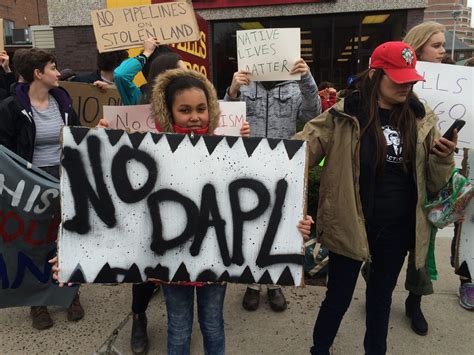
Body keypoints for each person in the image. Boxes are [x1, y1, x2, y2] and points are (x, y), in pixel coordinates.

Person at [296, 41, 456, 354]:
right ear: (375, 74)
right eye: (398, 79)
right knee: (338, 297)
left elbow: (437, 184)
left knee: (381, 298)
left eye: (410, 79)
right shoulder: (343, 115)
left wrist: (442, 158)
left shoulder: (422, 118)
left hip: (397, 229)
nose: (406, 86)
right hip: (349, 225)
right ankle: (319, 349)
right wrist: (248, 148)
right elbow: (297, 154)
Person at [149, 68, 249, 354]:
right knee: (179, 329)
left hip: (215, 260)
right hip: (173, 262)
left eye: (201, 109)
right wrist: (105, 142)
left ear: (211, 109)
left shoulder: (226, 146)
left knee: (213, 324)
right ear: (169, 112)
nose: (195, 117)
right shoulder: (153, 149)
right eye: (184, 110)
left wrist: (248, 150)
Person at [224, 57, 321, 312]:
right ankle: (253, 283)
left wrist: (307, 79)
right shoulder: (244, 86)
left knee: (278, 226)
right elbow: (225, 123)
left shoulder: (292, 87)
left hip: (282, 168)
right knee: (251, 228)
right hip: (249, 169)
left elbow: (314, 114)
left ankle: (274, 283)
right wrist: (232, 91)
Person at [0, 48, 84, 330]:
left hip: (64, 181)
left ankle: (70, 294)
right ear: (38, 74)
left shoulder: (64, 103)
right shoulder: (11, 108)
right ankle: (38, 302)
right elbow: (6, 153)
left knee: (67, 239)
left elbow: (78, 137)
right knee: (36, 242)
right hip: (31, 186)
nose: (58, 73)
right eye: (52, 67)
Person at [400, 20, 446, 335]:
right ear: (416, 49)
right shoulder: (394, 87)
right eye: (437, 45)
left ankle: (414, 304)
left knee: (421, 250)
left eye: (444, 45)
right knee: (378, 253)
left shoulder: (455, 84)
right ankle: (376, 289)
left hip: (424, 187)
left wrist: (445, 153)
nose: (443, 51)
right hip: (390, 185)